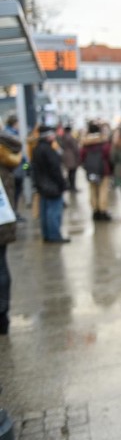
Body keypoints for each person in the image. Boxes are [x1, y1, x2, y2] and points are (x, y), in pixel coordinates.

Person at [30, 126, 69, 243]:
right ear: (48, 136)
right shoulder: (49, 151)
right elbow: (55, 169)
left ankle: (47, 234)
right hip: (52, 186)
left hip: (41, 185)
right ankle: (54, 235)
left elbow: (30, 166)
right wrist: (62, 184)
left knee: (45, 212)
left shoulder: (35, 149)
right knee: (53, 212)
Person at [0, 128, 22, 334]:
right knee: (1, 265)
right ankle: (2, 314)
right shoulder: (7, 156)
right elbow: (17, 145)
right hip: (3, 219)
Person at [80, 121, 113, 221]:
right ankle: (103, 211)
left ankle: (95, 211)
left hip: (91, 171)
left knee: (93, 190)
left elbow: (81, 157)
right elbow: (109, 155)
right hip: (103, 170)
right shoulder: (104, 143)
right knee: (103, 191)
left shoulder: (85, 144)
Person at [3, 115, 26, 220]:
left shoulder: (10, 134)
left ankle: (14, 213)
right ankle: (13, 213)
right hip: (14, 170)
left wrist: (26, 167)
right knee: (13, 194)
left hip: (17, 169)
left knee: (15, 193)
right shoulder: (9, 135)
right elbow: (19, 150)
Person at [59, 124, 81, 192]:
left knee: (69, 172)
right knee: (73, 172)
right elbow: (75, 148)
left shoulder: (62, 137)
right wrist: (78, 156)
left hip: (65, 155)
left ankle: (70, 185)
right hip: (71, 157)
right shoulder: (71, 137)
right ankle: (73, 186)